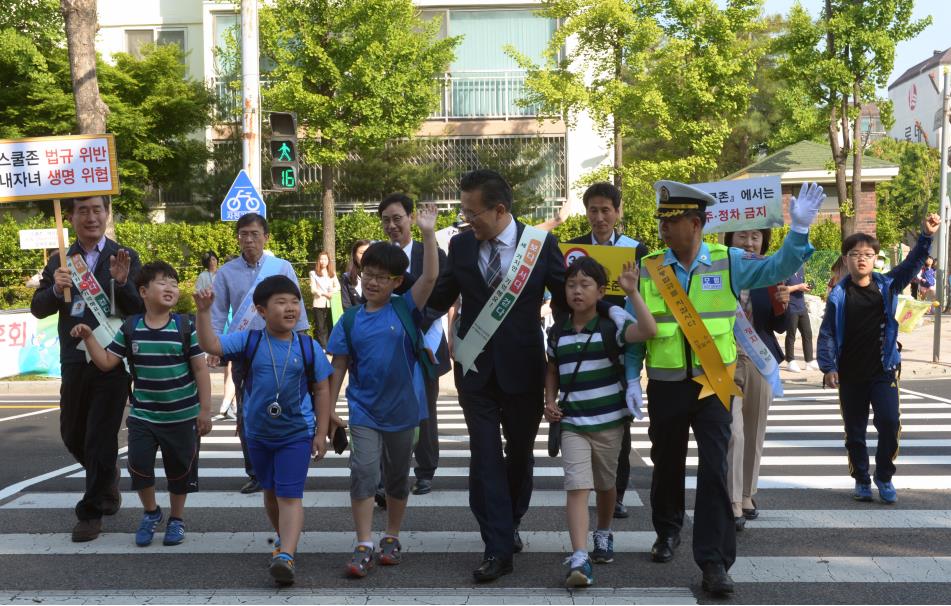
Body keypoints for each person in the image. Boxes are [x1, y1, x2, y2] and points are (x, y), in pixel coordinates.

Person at [426, 169, 633, 583]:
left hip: (523, 369)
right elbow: (438, 297)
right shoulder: (463, 246)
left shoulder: (539, 246)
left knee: (518, 455)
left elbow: (570, 293)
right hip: (476, 371)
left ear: (500, 209)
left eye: (473, 212)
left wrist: (609, 317)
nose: (467, 221)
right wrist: (396, 314)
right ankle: (497, 546)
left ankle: (511, 519)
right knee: (484, 457)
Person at [627, 180, 825, 596]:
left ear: (697, 223)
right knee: (666, 464)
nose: (665, 227)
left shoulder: (728, 260)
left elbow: (775, 269)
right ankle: (667, 530)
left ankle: (715, 562)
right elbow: (637, 324)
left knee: (716, 470)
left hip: (714, 384)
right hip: (665, 384)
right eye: (662, 219)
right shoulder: (649, 267)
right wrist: (631, 375)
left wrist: (800, 230)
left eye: (674, 220)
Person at [195, 275, 334, 586]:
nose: (290, 308)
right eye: (281, 302)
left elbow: (322, 390)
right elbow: (211, 344)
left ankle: (286, 554)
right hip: (257, 433)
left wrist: (320, 433)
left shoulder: (307, 345)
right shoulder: (250, 340)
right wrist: (203, 312)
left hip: (296, 433)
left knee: (289, 495)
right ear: (261, 310)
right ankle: (283, 538)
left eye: (295, 302)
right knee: (270, 492)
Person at [326, 204, 439, 578]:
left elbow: (430, 277)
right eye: (367, 274)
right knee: (362, 471)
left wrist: (427, 233)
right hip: (364, 411)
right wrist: (328, 411)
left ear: (395, 282)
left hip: (404, 410)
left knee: (395, 478)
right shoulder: (350, 319)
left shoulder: (405, 309)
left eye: (381, 277)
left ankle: (391, 535)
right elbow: (338, 368)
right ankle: (363, 542)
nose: (372, 282)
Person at [70, 261, 213, 547]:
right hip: (144, 416)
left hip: (181, 417)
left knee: (180, 472)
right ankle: (151, 513)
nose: (170, 287)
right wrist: (88, 337)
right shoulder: (130, 327)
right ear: (144, 292)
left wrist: (205, 410)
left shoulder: (185, 327)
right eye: (163, 283)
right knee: (139, 466)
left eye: (173, 283)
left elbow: (200, 370)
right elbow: (107, 362)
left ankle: (176, 519)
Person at [30, 195, 144, 542]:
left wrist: (123, 283)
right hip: (75, 359)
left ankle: (91, 511)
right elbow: (38, 308)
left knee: (100, 437)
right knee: (72, 433)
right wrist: (55, 288)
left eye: (97, 210)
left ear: (107, 214)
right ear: (72, 217)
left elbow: (139, 308)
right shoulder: (61, 260)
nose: (91, 217)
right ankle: (106, 477)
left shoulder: (125, 256)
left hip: (112, 359)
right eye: (83, 211)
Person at [544, 257, 656, 587]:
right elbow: (551, 369)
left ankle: (604, 531)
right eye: (571, 285)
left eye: (585, 284)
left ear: (600, 290)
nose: (577, 291)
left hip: (609, 423)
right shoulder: (558, 330)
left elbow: (649, 330)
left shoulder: (613, 327)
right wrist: (549, 401)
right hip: (573, 423)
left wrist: (633, 293)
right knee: (577, 487)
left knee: (607, 486)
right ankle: (579, 555)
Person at [818, 213, 940, 505]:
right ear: (845, 259)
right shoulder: (838, 295)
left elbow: (911, 266)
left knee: (889, 422)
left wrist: (926, 236)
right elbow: (827, 334)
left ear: (875, 259)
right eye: (855, 254)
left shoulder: (887, 285)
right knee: (855, 433)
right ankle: (861, 479)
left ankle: (883, 475)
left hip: (883, 369)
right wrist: (828, 367)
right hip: (850, 374)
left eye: (868, 254)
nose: (861, 259)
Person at [211, 213, 310, 495]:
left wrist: (301, 342)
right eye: (243, 234)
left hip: (281, 347)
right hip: (245, 350)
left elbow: (296, 307)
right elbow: (218, 312)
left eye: (255, 234)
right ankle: (255, 470)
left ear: (266, 237)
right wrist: (215, 347)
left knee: (286, 404)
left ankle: (287, 459)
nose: (249, 239)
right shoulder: (227, 272)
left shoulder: (281, 267)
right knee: (248, 410)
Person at [567, 181, 649, 519]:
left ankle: (615, 492)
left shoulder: (636, 250)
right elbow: (566, 296)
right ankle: (587, 485)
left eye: (606, 210)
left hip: (622, 345)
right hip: (584, 341)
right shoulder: (573, 251)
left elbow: (642, 297)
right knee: (584, 414)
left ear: (618, 212)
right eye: (593, 210)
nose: (599, 217)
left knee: (620, 420)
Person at [378, 193, 451, 496]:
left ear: (410, 217)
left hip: (427, 341)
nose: (392, 225)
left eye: (397, 218)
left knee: (425, 408)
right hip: (390, 344)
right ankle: (389, 472)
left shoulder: (430, 252)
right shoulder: (380, 255)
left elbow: (443, 297)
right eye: (386, 220)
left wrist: (417, 323)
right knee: (388, 407)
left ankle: (425, 470)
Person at [723, 230, 789, 531]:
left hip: (759, 360)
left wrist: (783, 305)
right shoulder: (717, 269)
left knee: (754, 430)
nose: (749, 243)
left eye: (755, 237)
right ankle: (732, 500)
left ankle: (747, 493)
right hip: (724, 360)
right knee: (733, 432)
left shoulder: (768, 273)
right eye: (742, 237)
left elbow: (779, 326)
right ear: (729, 240)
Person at [782, 265, 817, 372]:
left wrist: (805, 288)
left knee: (807, 333)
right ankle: (790, 361)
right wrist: (798, 287)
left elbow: (801, 286)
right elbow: (783, 289)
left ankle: (809, 361)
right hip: (791, 307)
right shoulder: (786, 269)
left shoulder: (801, 268)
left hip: (802, 306)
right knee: (791, 334)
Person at [309, 250, 340, 348]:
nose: (323, 261)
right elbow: (313, 289)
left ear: (328, 261)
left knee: (330, 325)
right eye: (321, 259)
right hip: (319, 302)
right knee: (321, 326)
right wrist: (324, 293)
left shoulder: (332, 273)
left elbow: (338, 286)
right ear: (318, 261)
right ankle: (323, 347)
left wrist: (331, 292)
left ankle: (331, 346)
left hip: (331, 303)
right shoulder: (313, 273)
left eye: (325, 259)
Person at [341, 240, 371, 309]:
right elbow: (346, 305)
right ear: (354, 255)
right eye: (362, 253)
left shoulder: (380, 277)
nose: (365, 256)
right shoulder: (347, 277)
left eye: (368, 252)